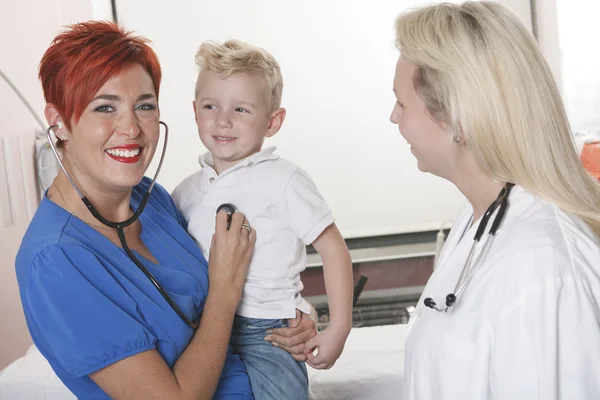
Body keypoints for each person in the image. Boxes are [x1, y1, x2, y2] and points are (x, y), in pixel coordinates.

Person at [15, 21, 316, 400]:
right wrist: (225, 290)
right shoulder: (55, 263)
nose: (132, 128)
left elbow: (236, 307)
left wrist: (292, 322)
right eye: (105, 107)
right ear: (58, 123)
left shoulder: (152, 199)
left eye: (144, 106)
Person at [390, 2, 600, 399]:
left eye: (401, 102)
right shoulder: (479, 223)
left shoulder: (544, 266)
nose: (393, 117)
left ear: (456, 117)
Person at [171, 40, 353, 399]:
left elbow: (334, 251)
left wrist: (339, 327)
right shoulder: (184, 193)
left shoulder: (285, 180)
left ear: (273, 122)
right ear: (194, 112)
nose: (223, 120)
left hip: (268, 333)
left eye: (241, 109)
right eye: (211, 106)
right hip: (202, 327)